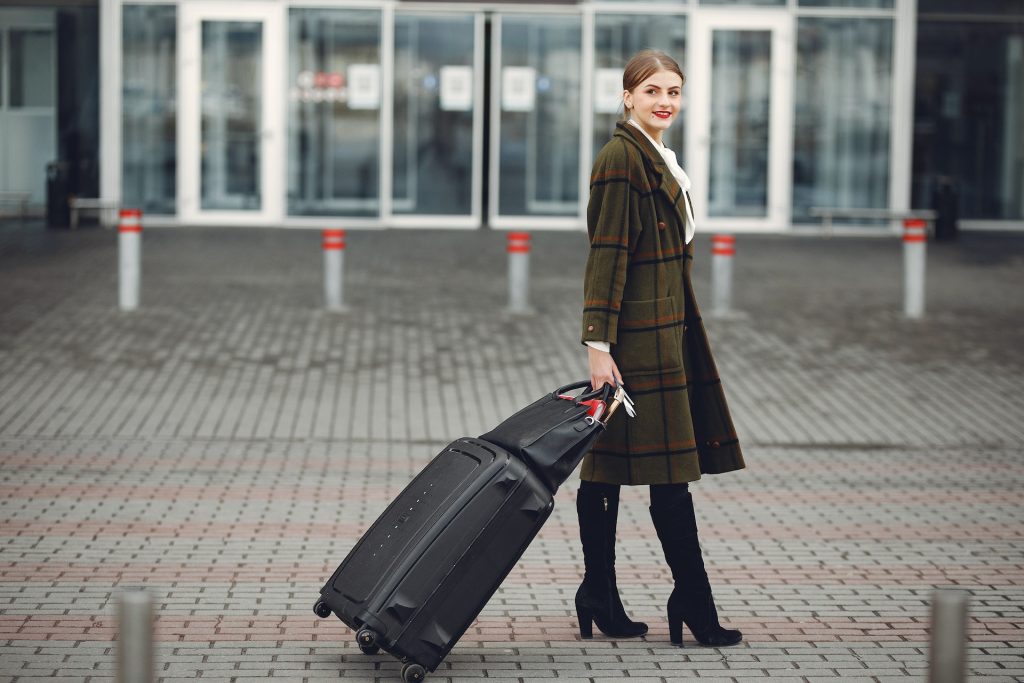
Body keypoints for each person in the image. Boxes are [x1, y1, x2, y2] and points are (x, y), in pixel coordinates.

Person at [576, 49, 746, 648]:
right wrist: (598, 344)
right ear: (627, 96)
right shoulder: (622, 158)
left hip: (667, 329)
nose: (664, 101)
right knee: (666, 473)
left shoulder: (659, 158)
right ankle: (692, 602)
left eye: (673, 90)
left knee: (611, 468)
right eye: (651, 90)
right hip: (637, 338)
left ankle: (599, 591)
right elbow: (608, 253)